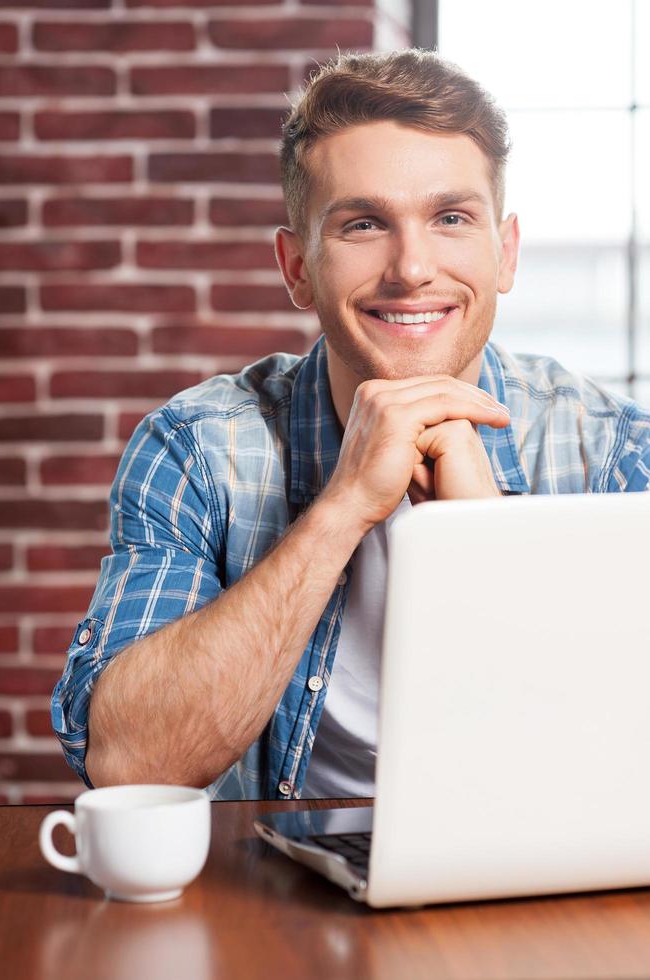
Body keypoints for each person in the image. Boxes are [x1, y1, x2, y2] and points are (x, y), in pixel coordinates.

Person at [51, 49, 650, 800]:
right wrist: (341, 509)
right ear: (297, 268)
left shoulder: (616, 452)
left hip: (542, 892)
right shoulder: (196, 448)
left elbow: (620, 767)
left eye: (452, 218)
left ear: (506, 252)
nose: (411, 268)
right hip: (275, 899)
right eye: (364, 224)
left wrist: (485, 545)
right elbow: (131, 764)